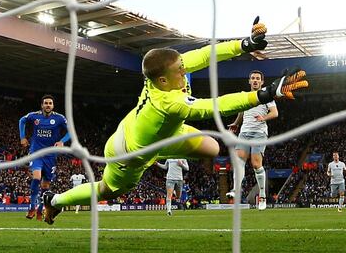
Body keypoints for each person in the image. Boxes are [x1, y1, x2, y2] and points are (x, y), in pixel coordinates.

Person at [41, 19, 308, 225]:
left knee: (212, 149)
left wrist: (245, 45)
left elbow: (205, 55)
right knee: (106, 191)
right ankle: (54, 200)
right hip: (129, 153)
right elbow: (213, 106)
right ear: (163, 81)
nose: (185, 71)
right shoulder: (168, 101)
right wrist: (263, 94)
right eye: (180, 70)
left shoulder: (165, 73)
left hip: (156, 133)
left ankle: (163, 148)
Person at [226, 69, 279, 211]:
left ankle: (262, 196)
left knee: (256, 165)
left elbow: (275, 113)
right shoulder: (245, 96)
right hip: (244, 132)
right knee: (238, 161)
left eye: (258, 78)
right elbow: (242, 111)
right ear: (249, 81)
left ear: (262, 82)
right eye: (253, 78)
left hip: (259, 133)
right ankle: (236, 190)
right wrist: (236, 123)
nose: (255, 80)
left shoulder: (266, 96)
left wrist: (264, 118)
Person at [19, 94, 70, 221]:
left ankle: (40, 210)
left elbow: (71, 131)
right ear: (42, 105)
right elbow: (22, 120)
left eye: (50, 103)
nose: (48, 105)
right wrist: (22, 137)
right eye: (46, 103)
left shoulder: (60, 118)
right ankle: (31, 207)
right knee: (36, 177)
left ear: (53, 106)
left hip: (51, 156)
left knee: (45, 186)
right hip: (36, 153)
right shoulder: (34, 116)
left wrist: (62, 141)